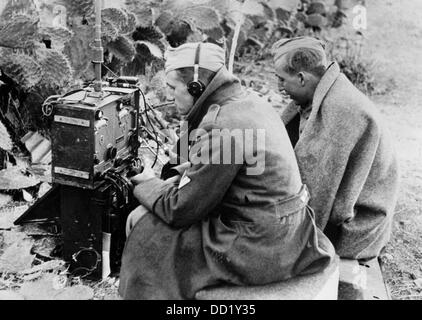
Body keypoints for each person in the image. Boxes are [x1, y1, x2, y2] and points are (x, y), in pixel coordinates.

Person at [118, 42, 335, 300]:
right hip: (286, 233)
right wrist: (182, 175)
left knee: (146, 226)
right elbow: (234, 168)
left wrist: (146, 182)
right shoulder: (245, 102)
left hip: (259, 246)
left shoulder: (222, 126)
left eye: (173, 88)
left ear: (195, 87)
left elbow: (180, 210)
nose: (170, 96)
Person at [272, 37, 399, 261]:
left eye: (281, 80)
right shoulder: (326, 90)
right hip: (349, 211)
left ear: (302, 78)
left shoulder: (340, 112)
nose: (279, 88)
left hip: (357, 228)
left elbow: (318, 197)